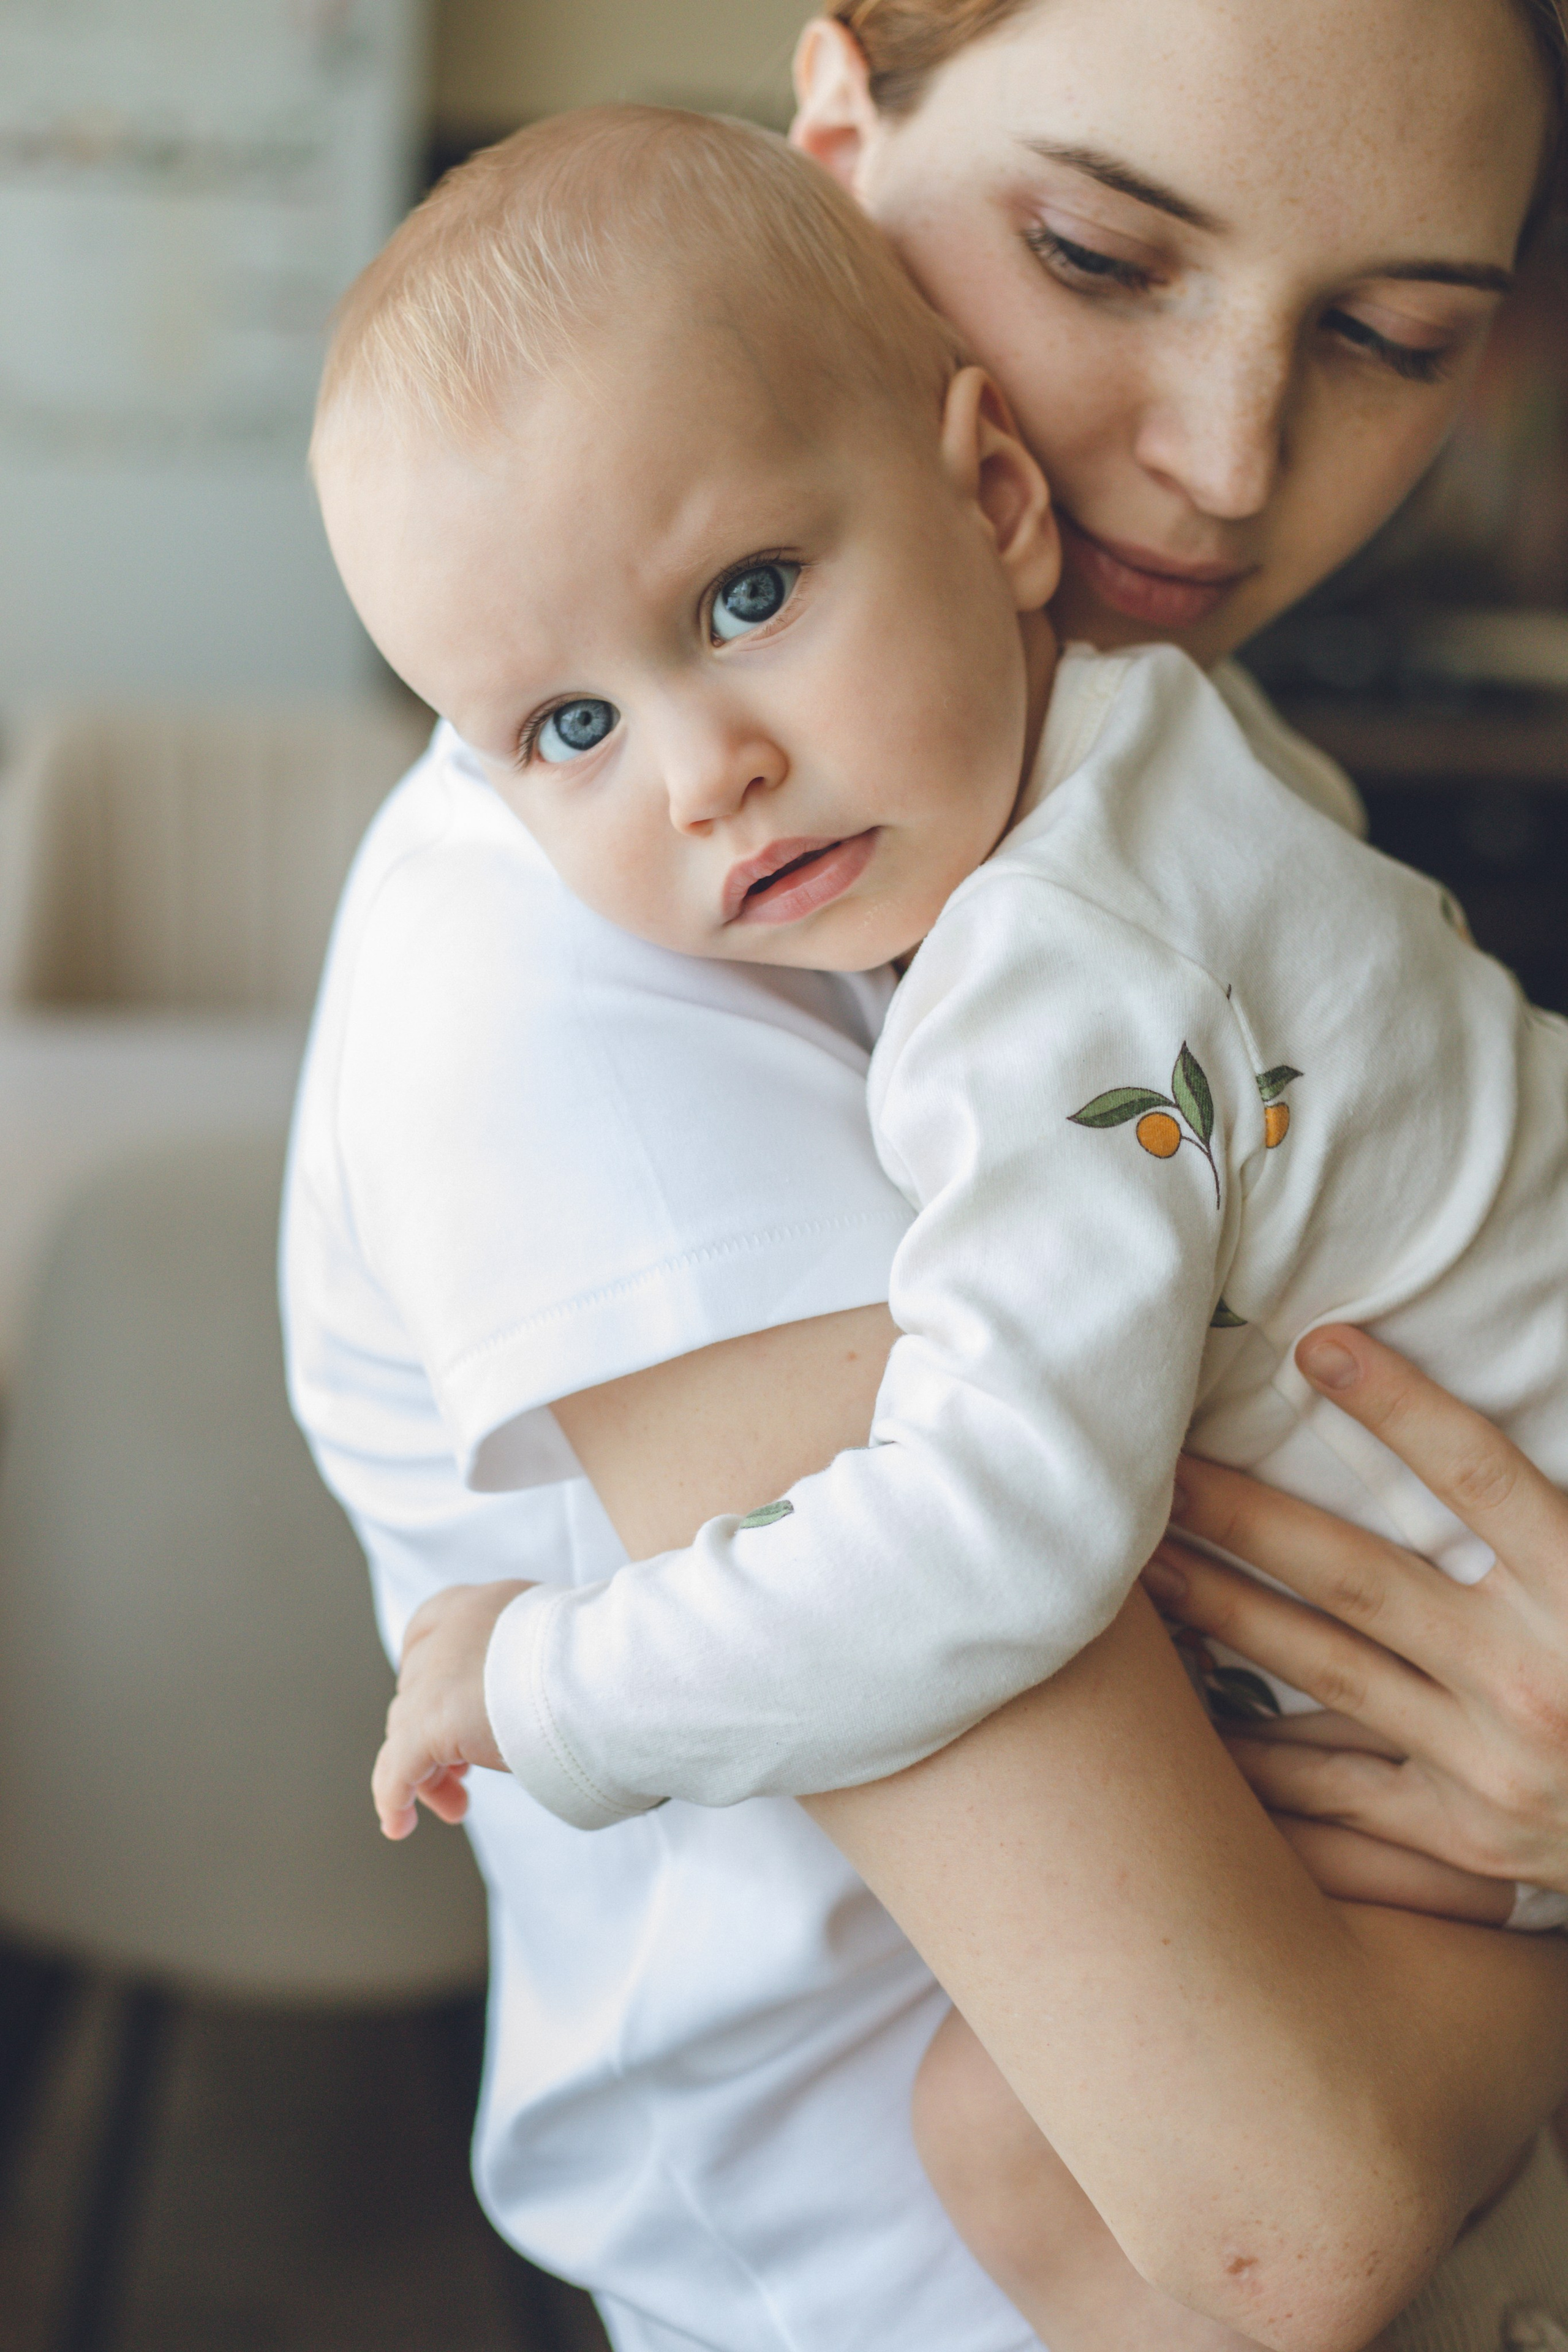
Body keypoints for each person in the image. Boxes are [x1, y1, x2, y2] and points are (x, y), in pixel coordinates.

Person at [282, 6, 1568, 2348]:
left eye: (1390, 338)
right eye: (1095, 252)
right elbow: (1289, 2210)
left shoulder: (1140, 761)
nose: (1221, 461)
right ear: (844, 120)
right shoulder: (590, 965)